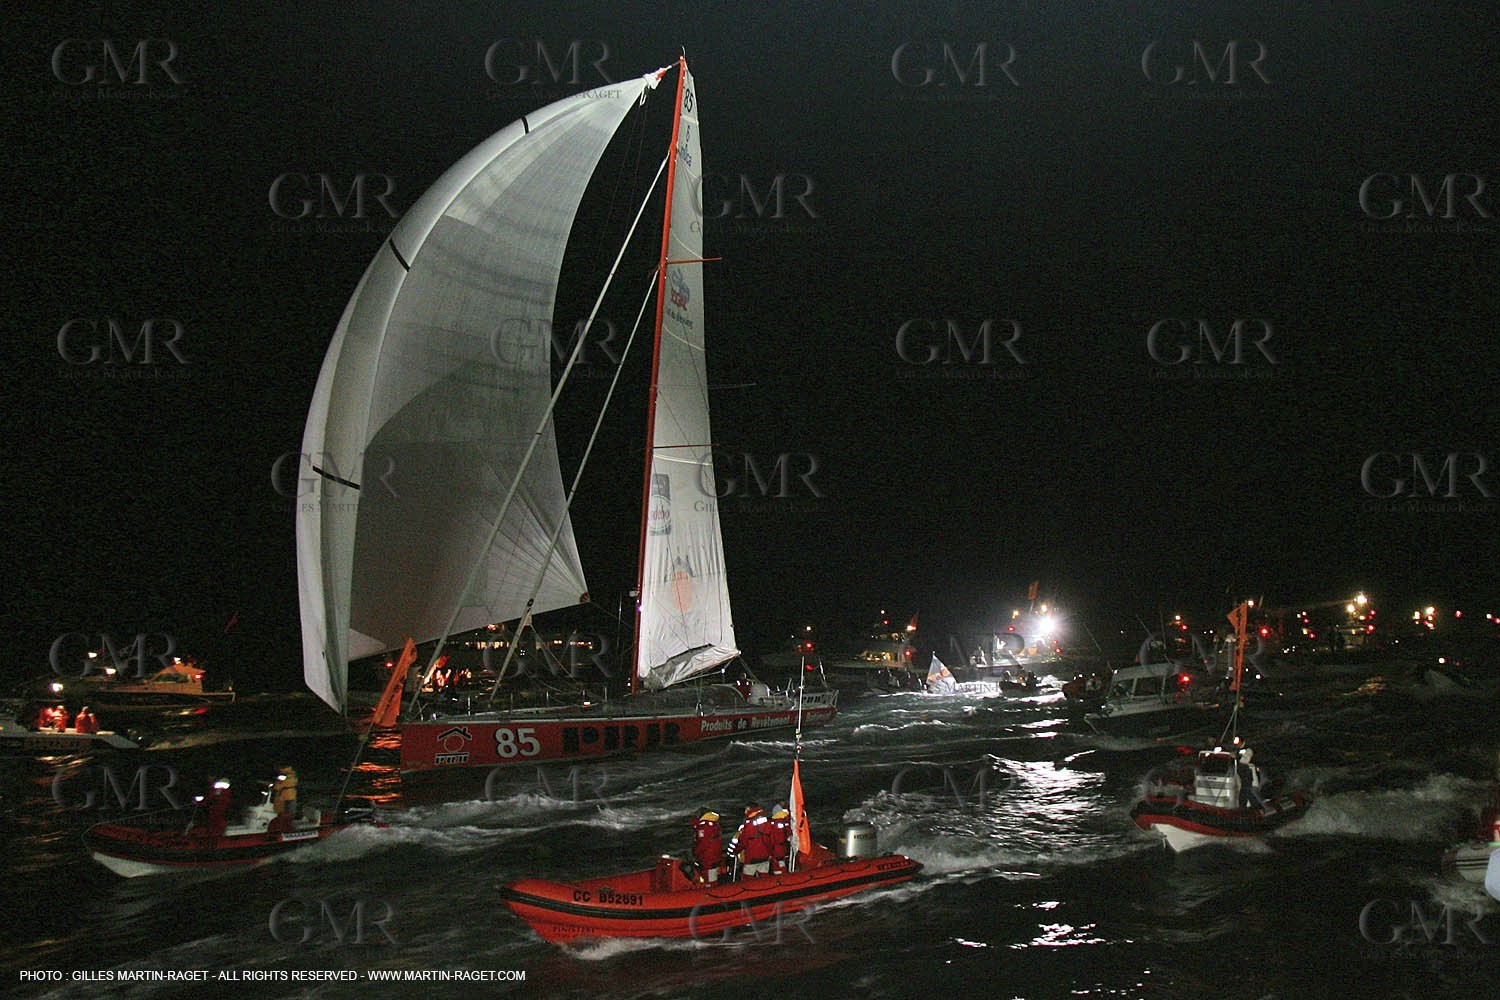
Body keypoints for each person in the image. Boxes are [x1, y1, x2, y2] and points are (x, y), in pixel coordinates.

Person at [727, 802, 774, 878]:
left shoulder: (748, 825)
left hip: (751, 858)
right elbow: (772, 839)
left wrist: (735, 851)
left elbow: (743, 841)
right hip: (765, 857)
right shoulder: (767, 822)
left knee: (747, 880)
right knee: (764, 879)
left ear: (749, 809)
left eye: (746, 810)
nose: (745, 812)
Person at [690, 808, 723, 884]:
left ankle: (711, 890)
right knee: (712, 874)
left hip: (707, 856)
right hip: (714, 854)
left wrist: (696, 852)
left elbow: (703, 843)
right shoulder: (713, 824)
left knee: (709, 876)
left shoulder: (704, 827)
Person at [768, 804, 792, 873]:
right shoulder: (785, 820)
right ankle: (783, 874)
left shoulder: (774, 823)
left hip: (776, 847)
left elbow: (772, 837)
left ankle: (780, 876)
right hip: (783, 846)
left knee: (777, 862)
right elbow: (788, 832)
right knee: (781, 861)